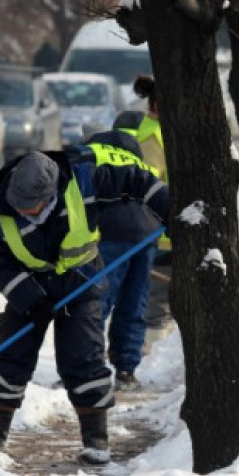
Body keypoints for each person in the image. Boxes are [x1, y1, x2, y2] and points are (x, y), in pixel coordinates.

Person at [0, 147, 170, 465]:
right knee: (9, 357)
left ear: (51, 192)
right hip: (31, 287)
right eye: (20, 207)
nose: (25, 212)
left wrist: (168, 210)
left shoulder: (86, 181)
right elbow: (1, 267)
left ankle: (96, 441)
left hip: (81, 281)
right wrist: (30, 299)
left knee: (84, 358)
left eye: (32, 207)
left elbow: (136, 180)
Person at [82, 130, 162, 391]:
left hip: (110, 232)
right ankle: (126, 370)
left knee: (97, 302)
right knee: (133, 303)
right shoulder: (137, 161)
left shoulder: (92, 157)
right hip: (146, 233)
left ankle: (87, 369)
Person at [120, 75, 172, 339]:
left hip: (165, 233)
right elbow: (146, 190)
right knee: (155, 306)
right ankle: (149, 357)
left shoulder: (162, 132)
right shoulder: (153, 137)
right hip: (160, 236)